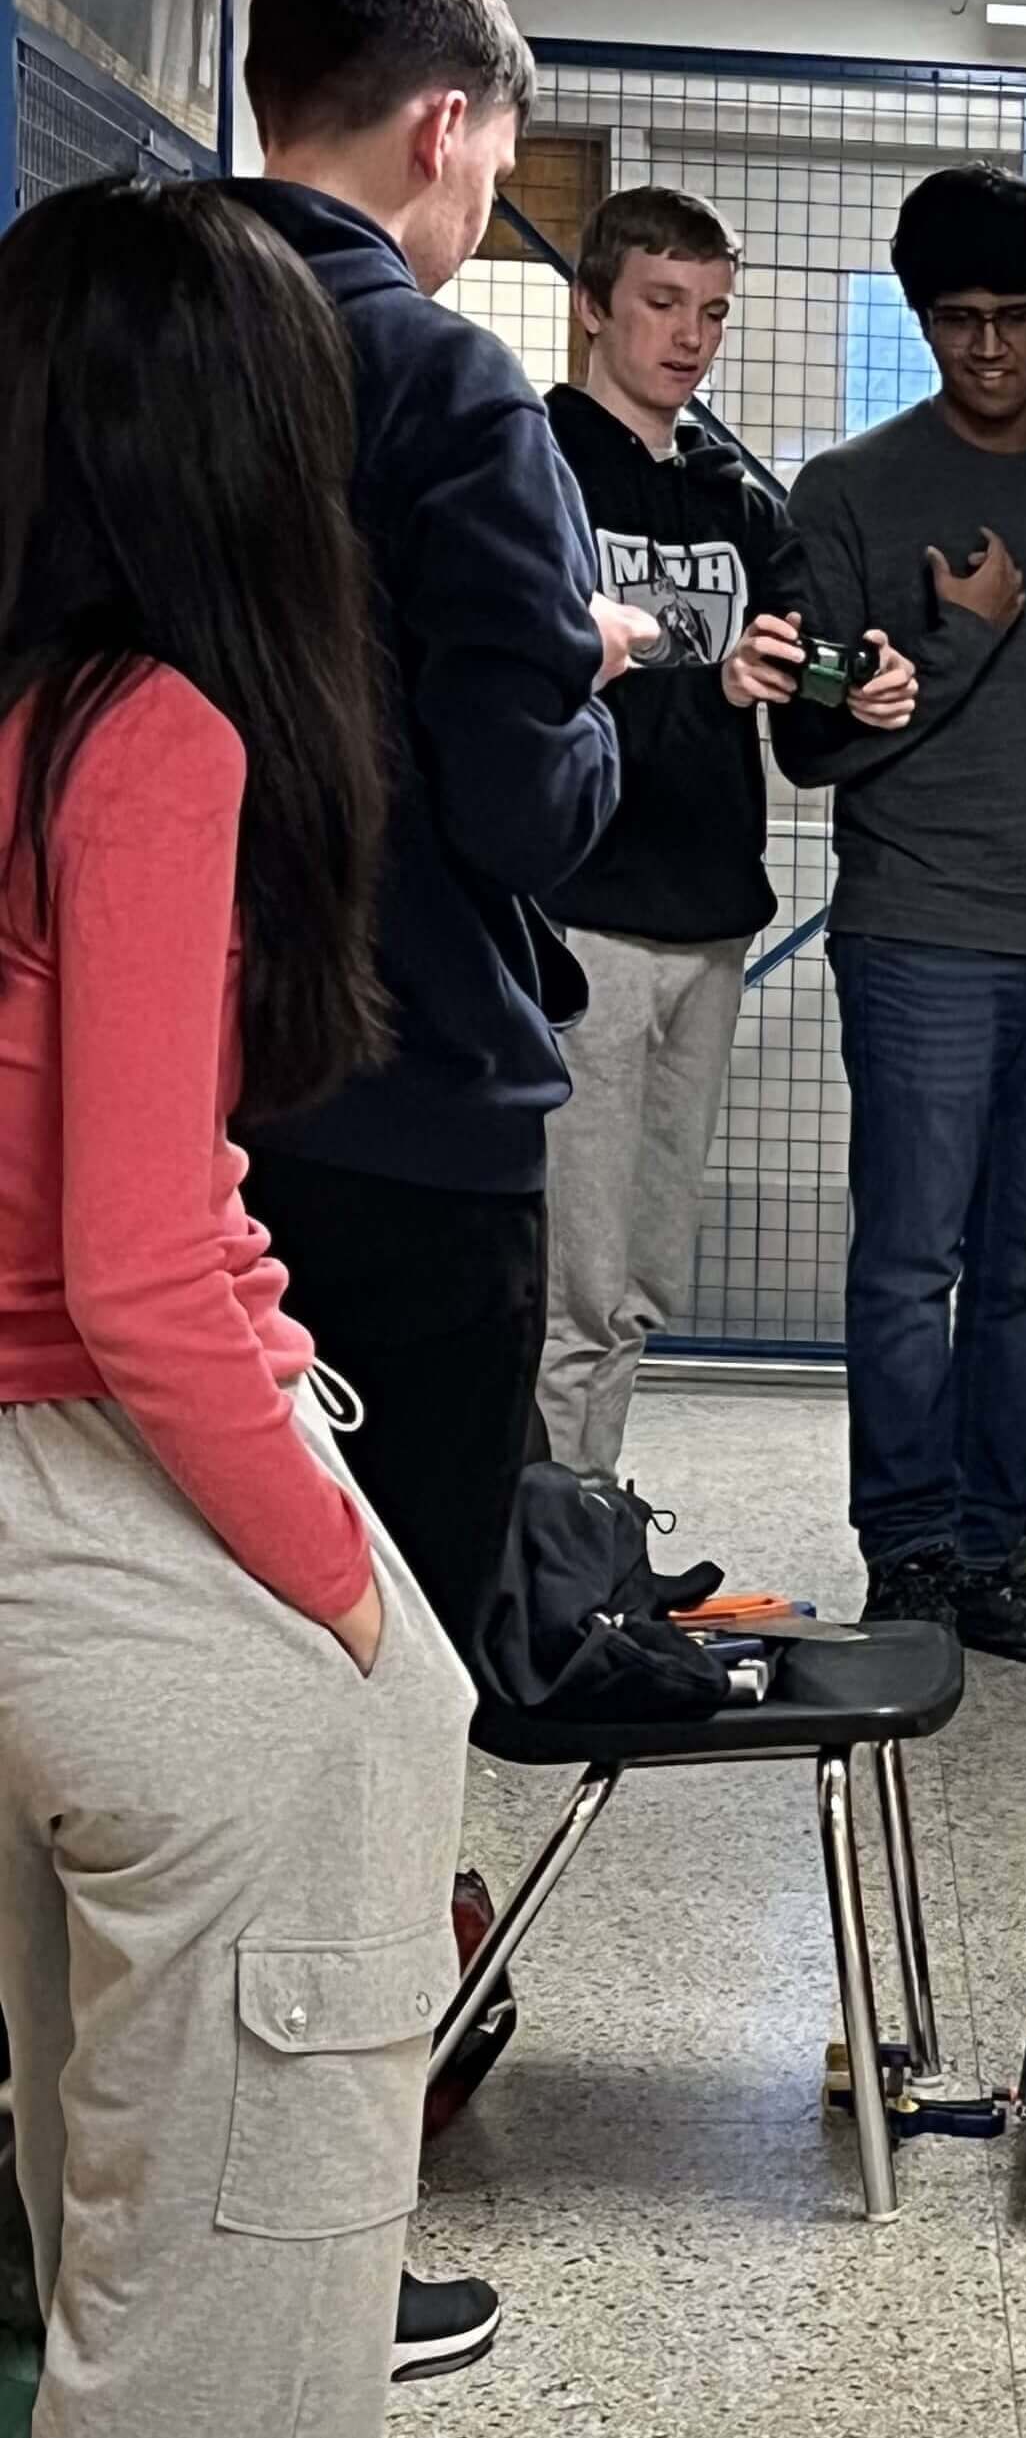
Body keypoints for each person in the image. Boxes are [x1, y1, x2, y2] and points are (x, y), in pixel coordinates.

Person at [0, 178, 474, 2438]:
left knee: (99, 2177)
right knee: (233, 2318)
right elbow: (135, 1270)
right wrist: (359, 1617)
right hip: (108, 1485)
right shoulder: (154, 734)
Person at [225, 0, 637, 2379]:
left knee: (148, 1680)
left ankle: (85, 2188)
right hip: (402, 1107)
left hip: (146, 1106)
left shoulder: (108, 332)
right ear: (449, 126)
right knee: (375, 1696)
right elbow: (519, 801)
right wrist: (577, 685)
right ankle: (321, 2250)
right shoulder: (435, 381)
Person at [783, 164, 1026, 1663]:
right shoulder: (850, 495)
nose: (993, 350)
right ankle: (908, 1554)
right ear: (921, 320)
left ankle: (995, 1548)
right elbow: (814, 740)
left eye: (1019, 317)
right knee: (909, 1259)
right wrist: (954, 646)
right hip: (921, 935)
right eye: (959, 322)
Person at [535, 185, 920, 1487]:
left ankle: (586, 1520)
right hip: (576, 917)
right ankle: (542, 1544)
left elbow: (799, 691)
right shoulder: (533, 470)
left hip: (706, 922)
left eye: (712, 311)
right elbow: (525, 686)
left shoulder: (736, 504)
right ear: (592, 305)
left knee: (641, 1271)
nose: (690, 336)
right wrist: (704, 688)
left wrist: (855, 689)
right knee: (569, 1278)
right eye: (660, 303)